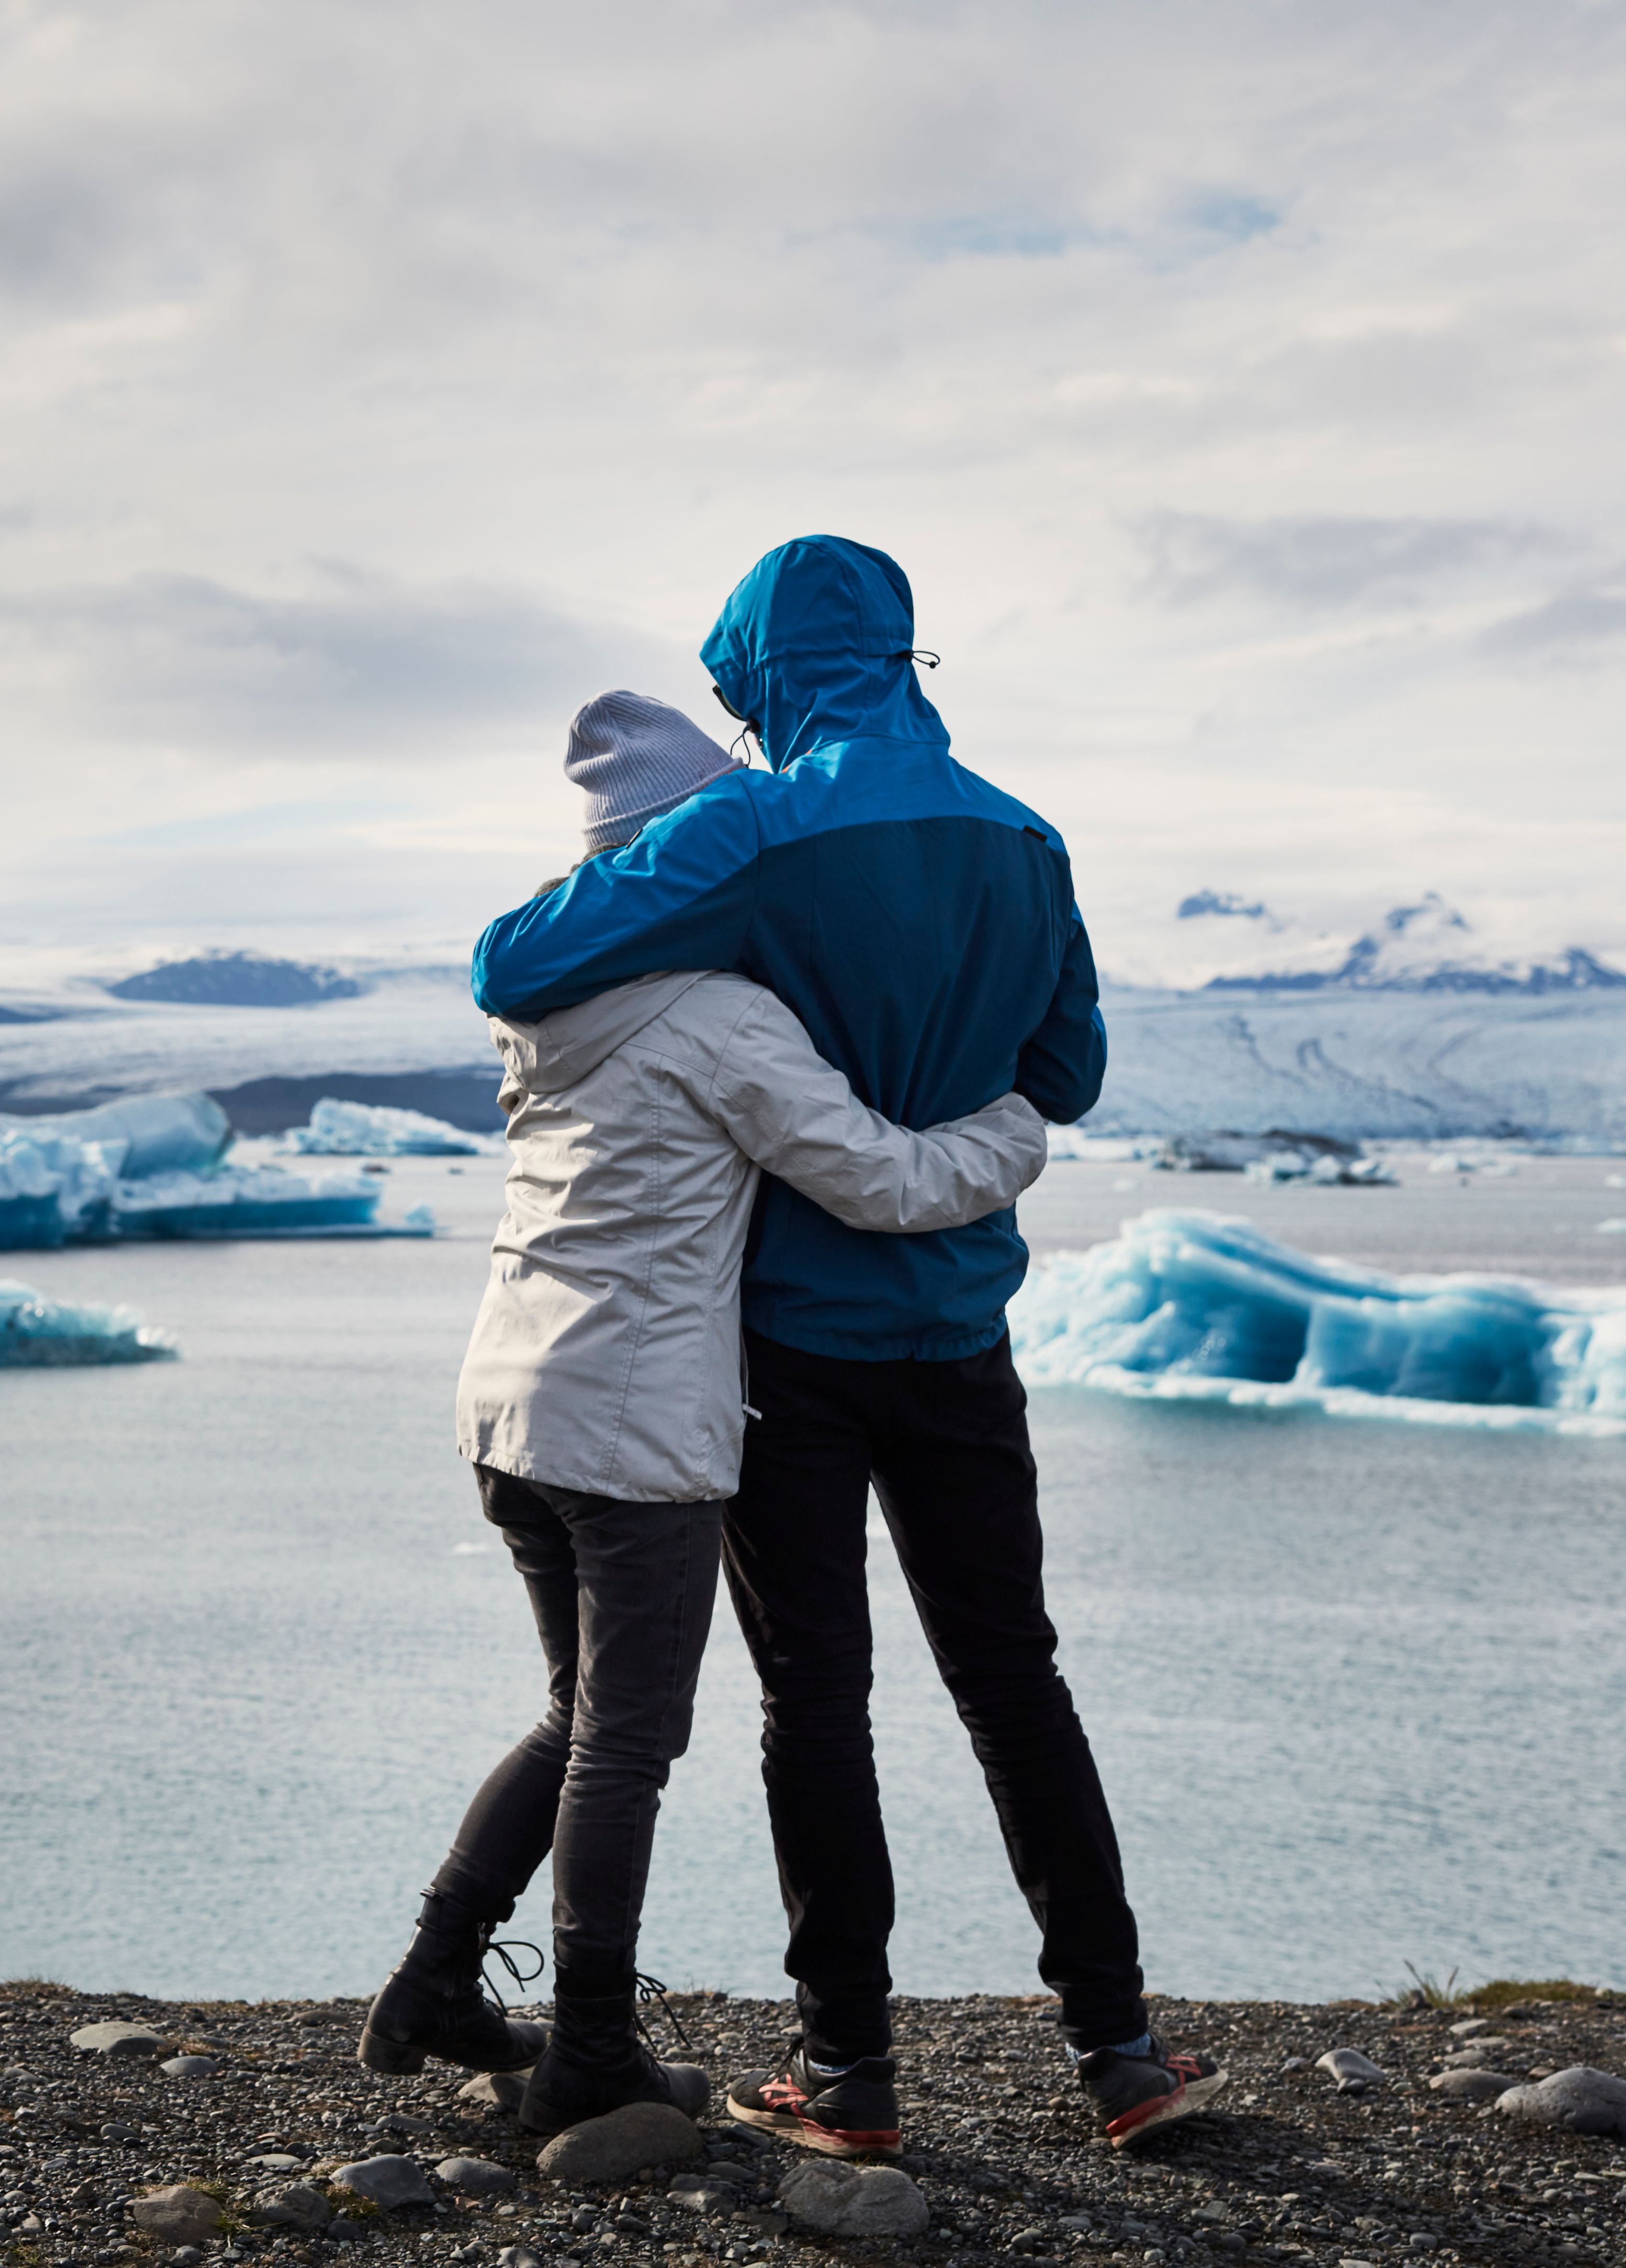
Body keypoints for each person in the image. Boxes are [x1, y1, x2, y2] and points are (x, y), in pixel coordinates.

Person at [469, 537, 1220, 2154]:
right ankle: (1123, 2051)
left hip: (789, 1340)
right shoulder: (1025, 836)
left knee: (815, 1698)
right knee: (1018, 1680)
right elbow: (1069, 1070)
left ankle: (851, 2076)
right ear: (899, 653)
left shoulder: (751, 822)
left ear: (760, 669)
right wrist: (968, 1090)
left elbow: (510, 966)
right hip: (958, 1322)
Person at [360, 688, 1052, 2136]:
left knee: (573, 1712)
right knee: (628, 1738)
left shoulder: (550, 1004)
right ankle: (591, 2051)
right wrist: (1013, 1126)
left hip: (508, 1400)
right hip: (633, 1427)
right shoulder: (724, 1018)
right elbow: (885, 1182)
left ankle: (433, 1979)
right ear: (690, 853)